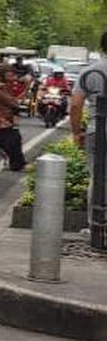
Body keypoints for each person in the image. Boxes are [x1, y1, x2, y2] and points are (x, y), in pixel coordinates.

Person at [70, 31, 107, 221]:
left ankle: (96, 225)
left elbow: (76, 105)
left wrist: (77, 133)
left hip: (97, 130)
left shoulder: (90, 71)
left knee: (97, 176)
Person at [0, 63, 26, 174]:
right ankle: (16, 164)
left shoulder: (3, 87)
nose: (14, 77)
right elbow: (14, 103)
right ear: (1, 75)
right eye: (10, 75)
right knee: (11, 142)